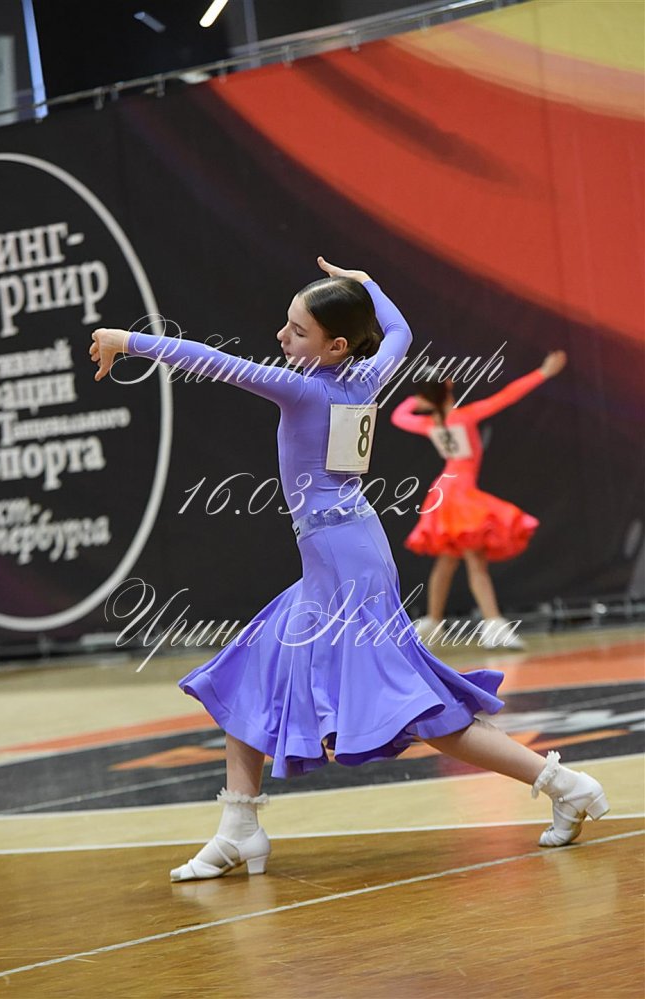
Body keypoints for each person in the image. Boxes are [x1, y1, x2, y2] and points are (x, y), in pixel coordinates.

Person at [90, 258, 607, 881]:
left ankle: (564, 784)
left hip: (342, 560)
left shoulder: (304, 388)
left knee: (411, 707)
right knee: (253, 668)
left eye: (298, 331)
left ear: (335, 346)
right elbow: (400, 333)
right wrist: (367, 284)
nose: (282, 337)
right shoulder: (366, 376)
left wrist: (126, 340)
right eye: (286, 324)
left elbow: (212, 360)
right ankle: (239, 828)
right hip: (346, 550)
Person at [390, 354, 567, 649]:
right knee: (474, 560)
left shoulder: (430, 422)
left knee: (448, 560)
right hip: (460, 494)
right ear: (449, 384)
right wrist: (542, 373)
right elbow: (505, 396)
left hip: (444, 491)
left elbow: (398, 416)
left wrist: (419, 401)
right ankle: (493, 623)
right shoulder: (464, 416)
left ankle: (434, 622)